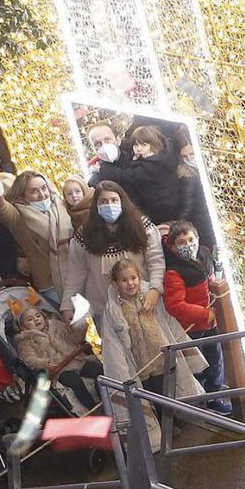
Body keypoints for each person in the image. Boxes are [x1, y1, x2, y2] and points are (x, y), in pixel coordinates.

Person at [100, 258, 206, 452]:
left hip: (160, 354)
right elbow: (113, 342)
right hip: (140, 361)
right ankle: (158, 428)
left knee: (164, 389)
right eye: (124, 280)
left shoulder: (149, 297)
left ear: (139, 278)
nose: (130, 283)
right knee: (147, 394)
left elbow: (167, 321)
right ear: (116, 284)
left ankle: (170, 422)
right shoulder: (113, 309)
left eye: (133, 278)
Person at [61, 181, 164, 326]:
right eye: (103, 201)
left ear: (122, 201)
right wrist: (67, 304)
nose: (109, 205)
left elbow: (156, 261)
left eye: (114, 200)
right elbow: (76, 273)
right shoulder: (84, 235)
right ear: (95, 206)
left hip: (144, 302)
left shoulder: (141, 226)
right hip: (106, 309)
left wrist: (155, 289)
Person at [0, 154, 72, 305]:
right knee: (72, 325)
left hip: (78, 274)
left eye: (44, 188)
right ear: (23, 196)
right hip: (50, 284)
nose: (42, 195)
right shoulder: (18, 217)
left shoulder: (62, 205)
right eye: (34, 191)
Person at [162, 220, 229, 414]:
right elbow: (175, 305)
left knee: (215, 359)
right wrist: (204, 313)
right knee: (199, 365)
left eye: (191, 240)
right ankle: (200, 399)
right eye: (182, 242)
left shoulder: (204, 256)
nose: (188, 245)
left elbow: (212, 281)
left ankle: (214, 396)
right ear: (173, 246)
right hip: (194, 327)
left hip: (210, 322)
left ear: (197, 239)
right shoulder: (174, 272)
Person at [87, 124, 186, 227]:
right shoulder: (97, 179)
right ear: (93, 149)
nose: (104, 146)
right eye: (98, 144)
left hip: (170, 216)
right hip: (138, 226)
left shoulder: (141, 151)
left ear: (118, 140)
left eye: (107, 140)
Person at [13, 305, 102, 412]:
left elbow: (73, 338)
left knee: (98, 370)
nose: (36, 319)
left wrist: (81, 328)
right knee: (75, 381)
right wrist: (46, 363)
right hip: (58, 370)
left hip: (76, 359)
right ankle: (93, 408)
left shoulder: (56, 325)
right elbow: (30, 358)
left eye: (38, 316)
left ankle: (104, 398)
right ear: (23, 327)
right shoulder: (26, 340)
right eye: (30, 319)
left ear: (44, 317)